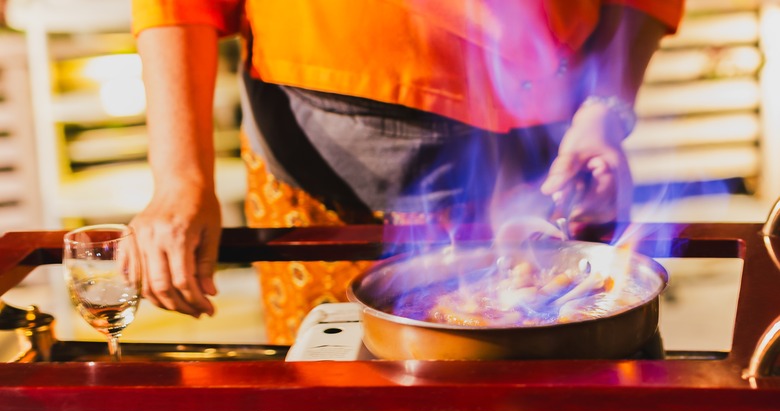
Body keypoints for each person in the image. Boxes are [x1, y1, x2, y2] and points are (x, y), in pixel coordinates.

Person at [130, 1, 683, 344]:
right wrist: (180, 177)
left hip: (551, 153)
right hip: (325, 174)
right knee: (342, 400)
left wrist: (605, 109)